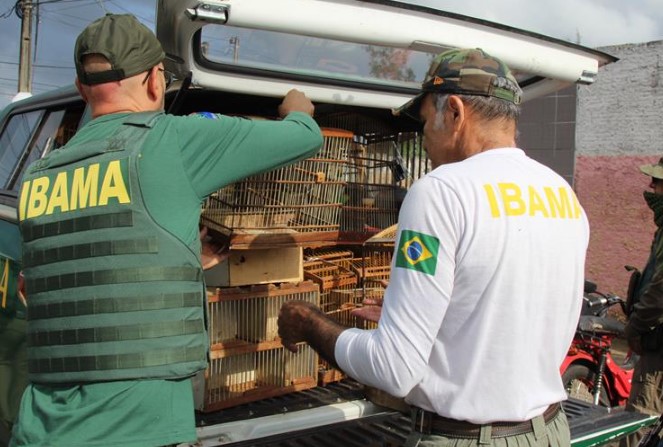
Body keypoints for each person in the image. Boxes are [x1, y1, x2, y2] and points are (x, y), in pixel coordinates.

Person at [11, 13, 323, 447]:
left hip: (41, 427)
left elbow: (80, 276)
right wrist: (298, 111)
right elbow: (302, 139)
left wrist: (180, 257)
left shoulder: (39, 176)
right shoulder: (168, 142)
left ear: (83, 89)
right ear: (156, 80)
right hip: (137, 428)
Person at [278, 48, 589, 446]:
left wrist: (309, 323)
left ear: (455, 112)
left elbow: (394, 369)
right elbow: (504, 314)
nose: (422, 136)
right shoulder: (562, 193)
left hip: (468, 438)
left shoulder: (440, 192)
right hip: (548, 433)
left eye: (425, 121)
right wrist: (423, 318)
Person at [620, 157, 663, 447]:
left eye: (657, 183)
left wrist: (634, 328)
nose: (650, 187)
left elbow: (659, 292)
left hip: (657, 347)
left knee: (641, 420)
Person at [0, 219, 27, 446]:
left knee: (3, 363)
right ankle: (16, 421)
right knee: (21, 371)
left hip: (9, 321)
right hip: (30, 321)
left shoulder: (7, 248)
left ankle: (7, 418)